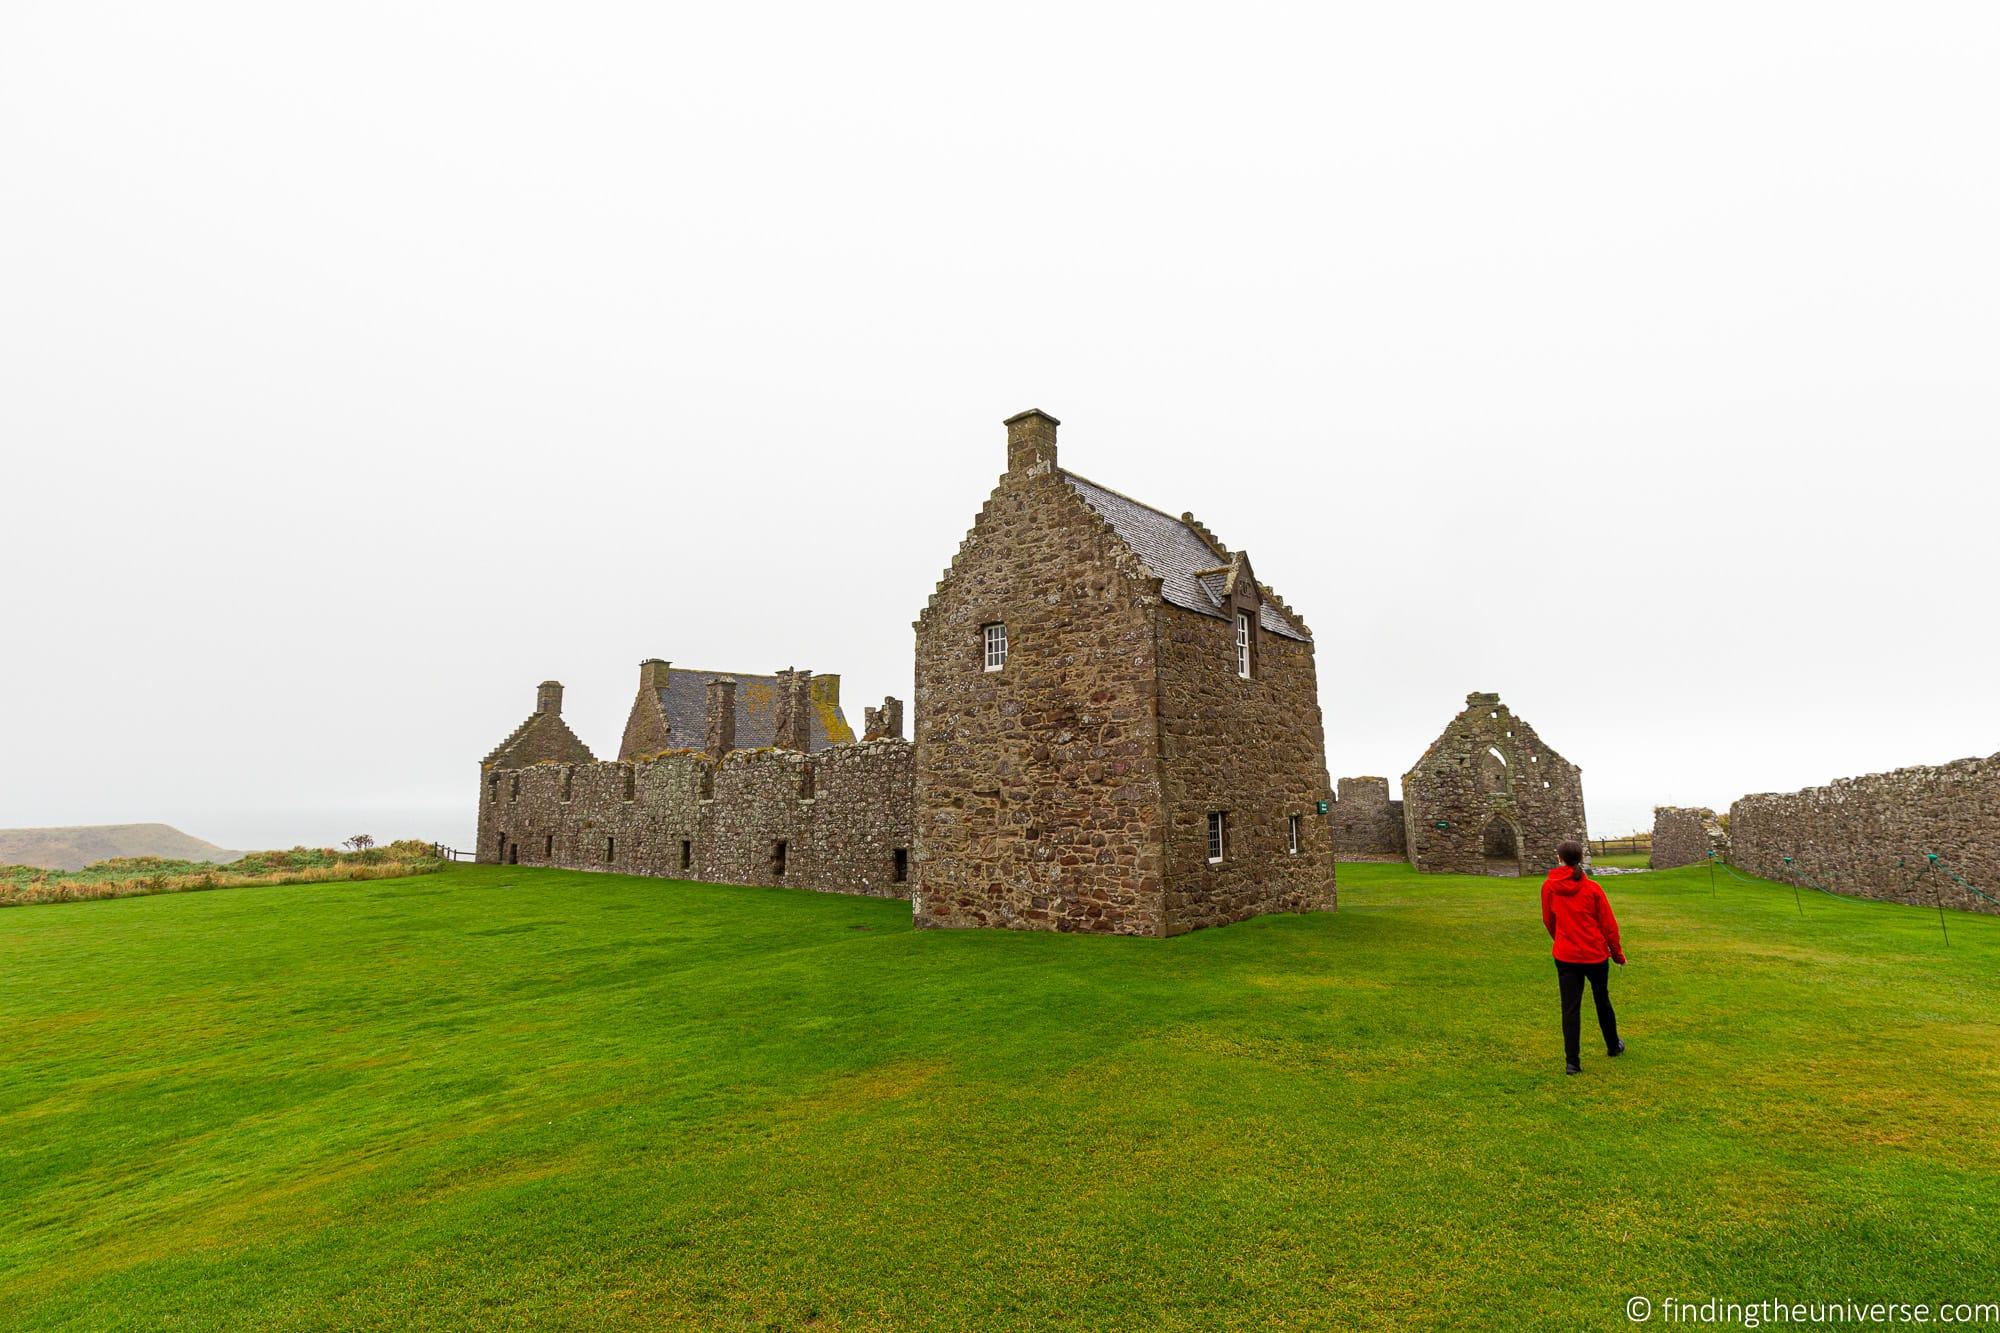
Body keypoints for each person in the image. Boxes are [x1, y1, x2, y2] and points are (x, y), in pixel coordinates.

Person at [1540, 839, 1626, 1075]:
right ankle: (1613, 1045)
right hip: (1594, 955)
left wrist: (1561, 939)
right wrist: (1617, 955)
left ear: (1559, 858)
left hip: (1566, 955)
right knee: (1602, 1000)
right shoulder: (1592, 889)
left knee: (1570, 1008)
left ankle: (1572, 1062)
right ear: (1580, 858)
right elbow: (1609, 926)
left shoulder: (1549, 887)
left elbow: (1549, 920)